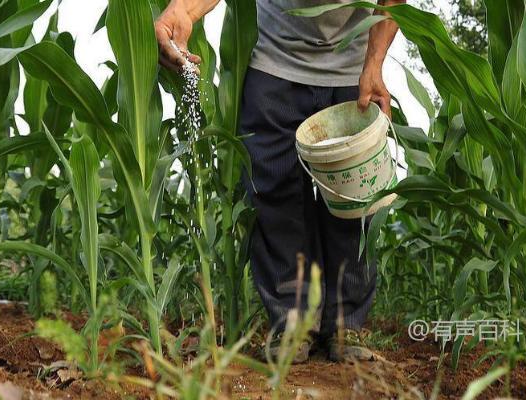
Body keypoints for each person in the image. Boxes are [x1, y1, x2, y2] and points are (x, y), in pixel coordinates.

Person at [155, 0, 405, 363]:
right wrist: (183, 11)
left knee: (355, 201)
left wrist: (374, 63)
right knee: (275, 194)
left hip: (354, 67)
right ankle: (291, 322)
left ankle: (344, 322)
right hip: (274, 61)